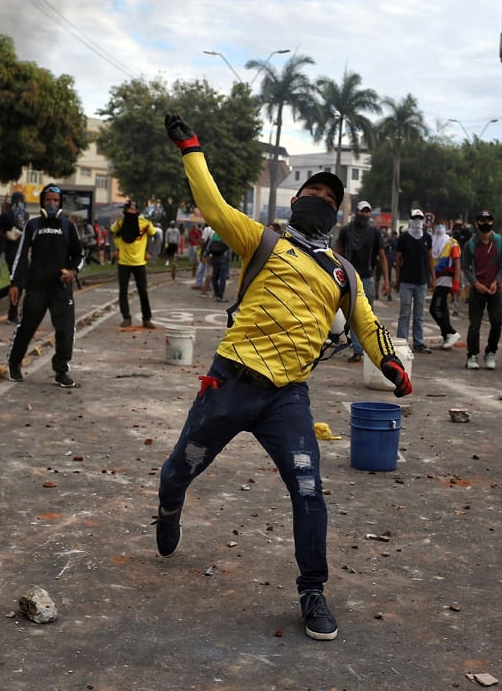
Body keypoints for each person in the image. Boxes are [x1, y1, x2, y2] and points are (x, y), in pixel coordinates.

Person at [156, 112, 412, 642]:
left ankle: (313, 591)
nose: (321, 197)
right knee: (181, 467)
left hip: (287, 399)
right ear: (296, 201)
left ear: (335, 213)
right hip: (229, 383)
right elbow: (213, 205)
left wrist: (391, 364)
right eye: (313, 190)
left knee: (308, 489)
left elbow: (366, 321)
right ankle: (169, 504)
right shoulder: (261, 240)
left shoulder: (343, 271)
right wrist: (191, 148)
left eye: (330, 195)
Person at [5, 183, 85, 388]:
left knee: (66, 330)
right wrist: (15, 284)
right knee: (26, 327)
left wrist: (73, 271)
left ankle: (61, 370)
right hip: (36, 286)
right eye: (48, 200)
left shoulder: (68, 226)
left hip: (61, 288)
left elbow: (79, 255)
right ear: (42, 202)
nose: (51, 204)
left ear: (60, 203)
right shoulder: (33, 225)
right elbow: (21, 256)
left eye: (55, 201)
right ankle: (14, 364)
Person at [335, 200, 390, 362]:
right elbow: (337, 253)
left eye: (367, 211)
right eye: (362, 211)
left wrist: (386, 279)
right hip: (349, 276)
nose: (365, 214)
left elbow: (382, 256)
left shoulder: (374, 233)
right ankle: (358, 350)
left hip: (367, 277)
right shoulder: (346, 231)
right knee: (352, 313)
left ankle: (369, 348)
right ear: (357, 212)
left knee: (368, 314)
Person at [462, 210, 502, 370]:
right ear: (477, 223)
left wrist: (497, 281)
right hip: (478, 289)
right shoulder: (471, 244)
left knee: (497, 321)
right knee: (474, 324)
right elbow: (465, 267)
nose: (486, 224)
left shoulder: (500, 242)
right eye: (482, 221)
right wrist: (475, 283)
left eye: (488, 220)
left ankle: (491, 352)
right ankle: (472, 354)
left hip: (495, 288)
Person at [111, 200, 158, 328]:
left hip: (139, 262)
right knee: (123, 292)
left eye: (133, 210)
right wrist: (113, 250)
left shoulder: (145, 224)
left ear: (137, 211)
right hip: (123, 262)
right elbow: (111, 232)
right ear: (125, 211)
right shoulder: (120, 224)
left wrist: (151, 252)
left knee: (143, 291)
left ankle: (146, 319)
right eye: (128, 210)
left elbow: (157, 235)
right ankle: (126, 317)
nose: (130, 213)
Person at [395, 209, 434, 352]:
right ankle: (401, 342)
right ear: (411, 219)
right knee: (404, 313)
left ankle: (418, 342)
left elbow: (430, 258)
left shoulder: (427, 238)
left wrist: (433, 277)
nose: (418, 221)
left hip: (422, 280)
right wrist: (397, 279)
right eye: (415, 218)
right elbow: (398, 259)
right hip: (406, 280)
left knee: (419, 314)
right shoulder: (404, 237)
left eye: (420, 218)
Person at [0, 192, 29, 324]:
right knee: (17, 282)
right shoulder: (6, 215)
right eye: (19, 201)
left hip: (23, 251)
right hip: (11, 251)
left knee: (22, 283)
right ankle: (12, 314)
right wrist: (5, 235)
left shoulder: (25, 215)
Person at [429, 222, 461, 349]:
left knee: (434, 309)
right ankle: (446, 336)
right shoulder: (432, 241)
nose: (439, 227)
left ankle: (451, 332)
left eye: (442, 224)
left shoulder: (452, 242)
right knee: (443, 308)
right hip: (437, 279)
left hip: (446, 279)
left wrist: (456, 282)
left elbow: (457, 263)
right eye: (437, 224)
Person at [205, 232, 230, 302]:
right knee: (222, 278)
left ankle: (216, 293)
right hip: (223, 259)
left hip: (214, 259)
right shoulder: (225, 235)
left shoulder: (213, 235)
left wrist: (206, 256)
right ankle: (219, 295)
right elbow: (228, 247)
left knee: (214, 277)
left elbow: (209, 248)